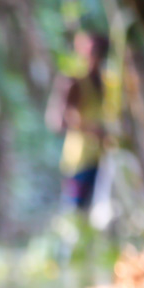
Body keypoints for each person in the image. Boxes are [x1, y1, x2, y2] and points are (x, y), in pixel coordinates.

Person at [47, 31, 110, 212]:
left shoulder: (108, 82)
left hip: (105, 158)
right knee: (76, 213)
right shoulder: (73, 81)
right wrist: (91, 130)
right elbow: (57, 121)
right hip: (80, 161)